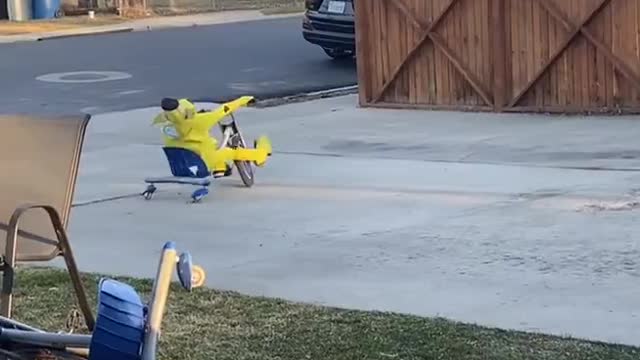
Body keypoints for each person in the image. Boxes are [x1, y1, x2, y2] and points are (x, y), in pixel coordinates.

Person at [152, 96, 272, 177]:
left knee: (211, 144)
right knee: (231, 152)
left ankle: (220, 168)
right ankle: (261, 155)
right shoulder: (199, 121)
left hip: (180, 168)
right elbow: (223, 110)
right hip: (203, 164)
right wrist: (243, 100)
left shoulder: (167, 127)